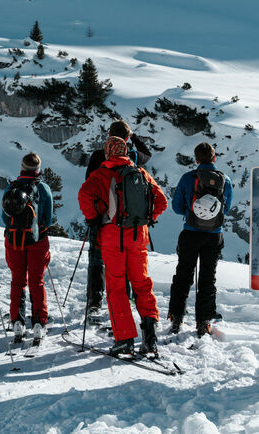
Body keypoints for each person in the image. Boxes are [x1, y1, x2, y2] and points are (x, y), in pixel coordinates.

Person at [79, 136, 167, 356]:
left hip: (112, 238)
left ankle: (125, 338)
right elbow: (162, 201)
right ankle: (151, 337)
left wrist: (95, 218)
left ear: (108, 152)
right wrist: (146, 219)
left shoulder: (101, 174)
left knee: (117, 287)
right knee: (142, 284)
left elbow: (84, 196)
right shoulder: (141, 174)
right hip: (138, 237)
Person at [84, 120, 152, 322]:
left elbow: (88, 183)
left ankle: (94, 302)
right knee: (129, 264)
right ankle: (129, 299)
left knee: (97, 261)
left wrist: (92, 216)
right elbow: (147, 154)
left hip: (103, 220)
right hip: (131, 222)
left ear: (109, 136)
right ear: (127, 137)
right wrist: (134, 138)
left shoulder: (99, 156)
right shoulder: (133, 157)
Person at [169, 142, 233, 337]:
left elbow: (177, 207)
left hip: (190, 232)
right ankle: (204, 321)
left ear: (196, 159)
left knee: (183, 274)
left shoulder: (188, 178)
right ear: (214, 158)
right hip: (214, 235)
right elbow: (226, 209)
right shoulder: (225, 180)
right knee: (207, 277)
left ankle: (176, 317)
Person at [1, 152, 54, 344]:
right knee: (36, 281)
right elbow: (48, 218)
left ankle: (17, 321)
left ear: (22, 168)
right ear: (37, 170)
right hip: (37, 241)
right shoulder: (44, 188)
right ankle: (39, 323)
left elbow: (4, 218)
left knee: (17, 280)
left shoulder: (11, 187)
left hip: (14, 240)